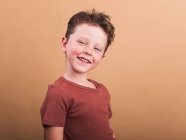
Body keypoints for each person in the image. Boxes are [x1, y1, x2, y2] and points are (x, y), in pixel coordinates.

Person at [40, 9, 116, 140]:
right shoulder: (57, 93)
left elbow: (107, 132)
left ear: (102, 57)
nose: (88, 51)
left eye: (97, 49)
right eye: (81, 42)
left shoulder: (102, 91)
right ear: (65, 43)